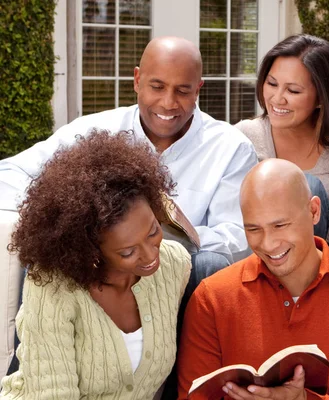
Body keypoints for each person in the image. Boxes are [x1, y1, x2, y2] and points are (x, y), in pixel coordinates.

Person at [0, 35, 258, 271]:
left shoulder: (231, 147)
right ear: (137, 80)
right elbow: (8, 174)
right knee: (42, 247)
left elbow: (239, 238)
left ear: (197, 89)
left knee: (209, 262)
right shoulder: (96, 130)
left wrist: (174, 236)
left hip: (176, 267)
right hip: (98, 266)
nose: (168, 103)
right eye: (157, 87)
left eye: (182, 91)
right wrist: (62, 215)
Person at [176, 159, 329, 399]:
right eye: (253, 229)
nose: (268, 243)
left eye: (280, 225)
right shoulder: (211, 298)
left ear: (313, 211)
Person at [0, 130, 191, 399]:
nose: (150, 257)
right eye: (127, 252)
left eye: (152, 232)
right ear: (91, 249)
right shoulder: (53, 285)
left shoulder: (175, 265)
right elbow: (53, 394)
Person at [236, 34, 329, 268]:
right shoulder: (244, 137)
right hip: (263, 270)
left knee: (303, 185)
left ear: (321, 98)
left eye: (293, 90)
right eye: (271, 84)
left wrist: (315, 289)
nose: (277, 98)